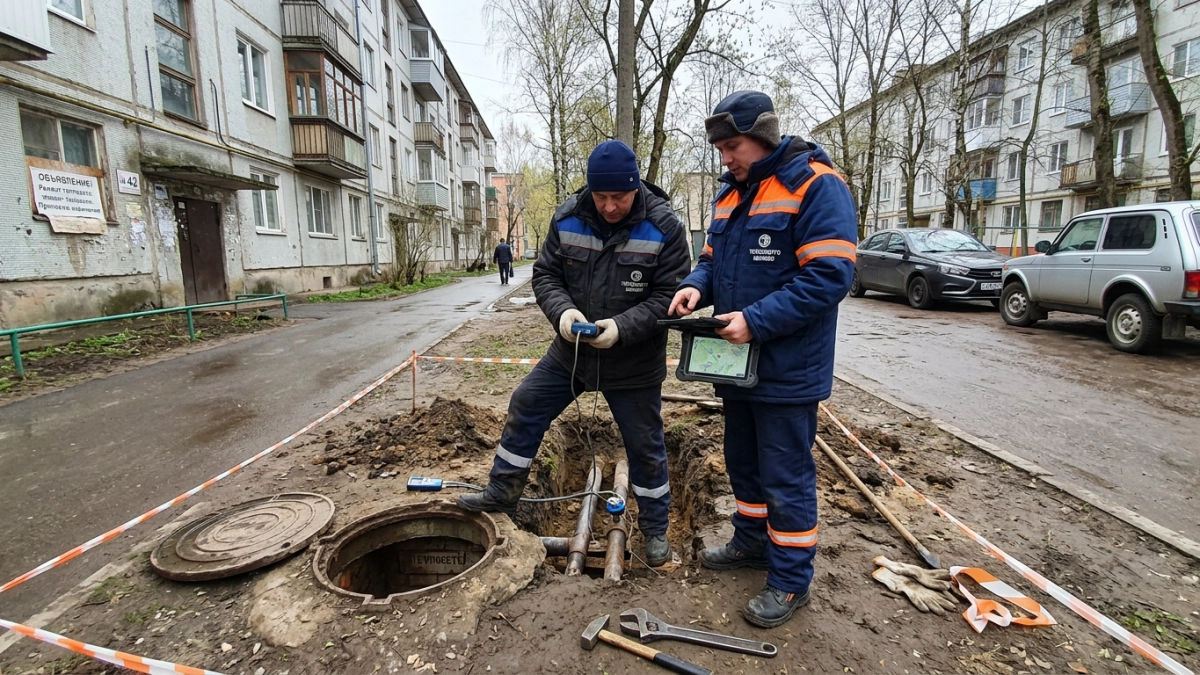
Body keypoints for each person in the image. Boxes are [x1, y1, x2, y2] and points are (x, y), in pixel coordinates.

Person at [668, 91, 858, 627]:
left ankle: (791, 580)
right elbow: (712, 260)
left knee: (785, 474)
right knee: (743, 462)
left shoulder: (816, 185)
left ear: (764, 137)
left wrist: (755, 320)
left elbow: (829, 277)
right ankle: (751, 542)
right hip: (738, 366)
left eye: (733, 146)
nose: (725, 157)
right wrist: (695, 286)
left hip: (788, 368)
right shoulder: (730, 193)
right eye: (720, 148)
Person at [459, 140, 692, 567]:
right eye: (600, 197)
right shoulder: (567, 217)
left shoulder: (664, 227)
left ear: (635, 187)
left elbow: (669, 296)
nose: (609, 207)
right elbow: (546, 275)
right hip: (572, 355)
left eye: (618, 197)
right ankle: (503, 493)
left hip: (634, 362)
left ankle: (655, 528)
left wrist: (621, 328)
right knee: (526, 403)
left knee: (645, 445)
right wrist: (563, 313)